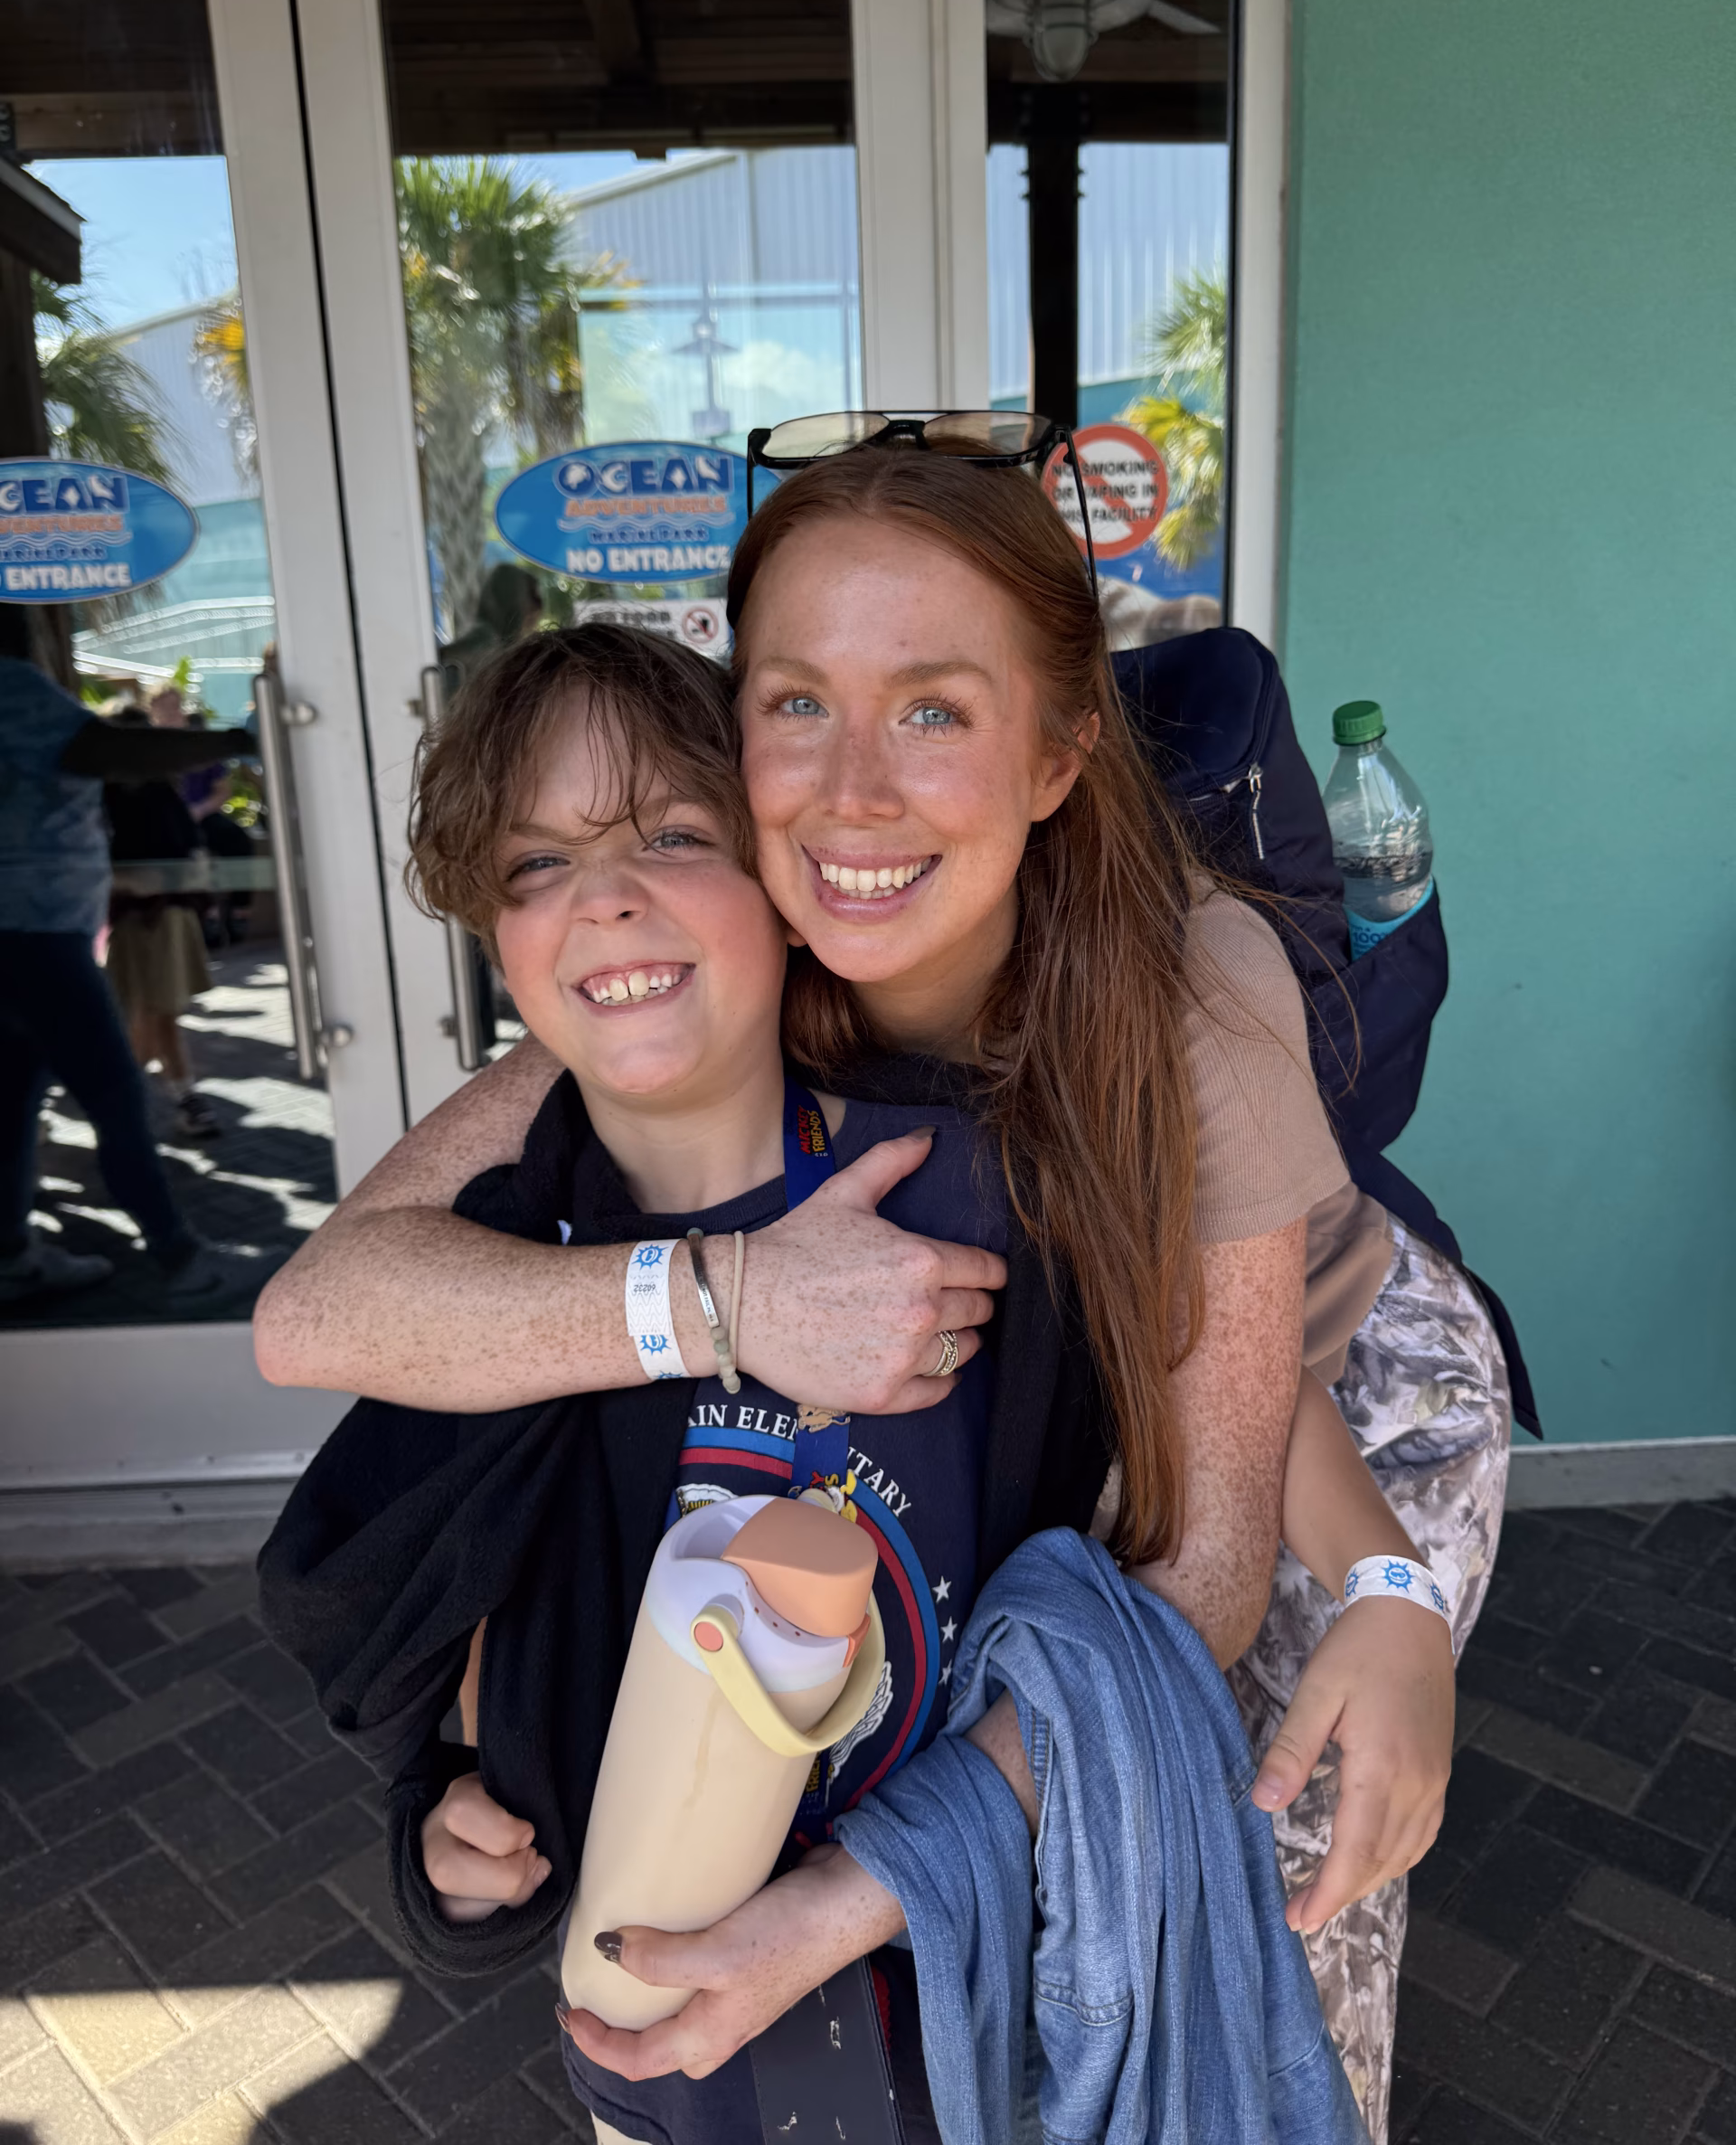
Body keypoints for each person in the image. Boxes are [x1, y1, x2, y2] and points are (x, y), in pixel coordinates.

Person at [257, 447, 1509, 2140]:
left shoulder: (1180, 995)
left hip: (1339, 1383)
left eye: (932, 710)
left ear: (1059, 752)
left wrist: (1390, 1585)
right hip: (1076, 1363)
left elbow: (1204, 1539)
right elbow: (319, 1308)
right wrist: (725, 1300)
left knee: (1231, 1918)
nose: (851, 794)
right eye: (798, 704)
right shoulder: (732, 940)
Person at [0, 608, 257, 1305]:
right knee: (116, 1100)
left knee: (14, 1102)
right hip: (38, 938)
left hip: (26, 937)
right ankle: (182, 1262)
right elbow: (109, 751)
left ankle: (13, 1258)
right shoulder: (14, 686)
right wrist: (242, 737)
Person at [103, 699, 222, 1143]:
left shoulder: (149, 791)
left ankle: (148, 1103)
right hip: (146, 919)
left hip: (161, 917)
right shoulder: (116, 794)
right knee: (151, 1013)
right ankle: (163, 1100)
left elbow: (187, 851)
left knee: (155, 1013)